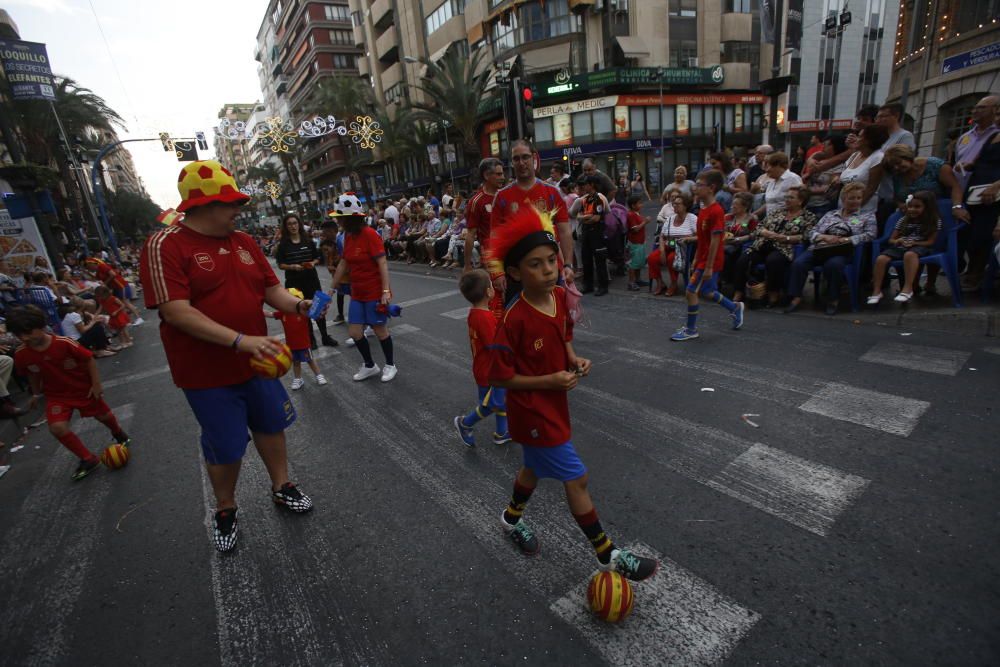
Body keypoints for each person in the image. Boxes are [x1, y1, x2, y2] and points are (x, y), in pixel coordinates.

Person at [140, 160, 313, 553]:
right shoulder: (164, 245)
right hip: (206, 372)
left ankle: (282, 485)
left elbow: (272, 291)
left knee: (271, 426)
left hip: (257, 361)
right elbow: (175, 311)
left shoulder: (244, 242)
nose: (238, 210)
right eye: (230, 203)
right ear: (202, 206)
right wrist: (240, 340)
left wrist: (298, 306)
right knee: (226, 443)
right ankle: (225, 507)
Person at [485, 203, 659, 581]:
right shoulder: (513, 320)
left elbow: (564, 334)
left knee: (532, 469)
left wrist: (573, 358)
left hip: (553, 402)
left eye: (552, 260)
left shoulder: (561, 297)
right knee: (575, 478)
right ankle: (606, 553)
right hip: (532, 409)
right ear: (515, 272)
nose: (548, 270)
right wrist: (548, 381)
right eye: (536, 264)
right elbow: (498, 377)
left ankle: (509, 519)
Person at [9, 305, 131, 481]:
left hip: (82, 389)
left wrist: (96, 384)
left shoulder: (64, 343)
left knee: (103, 416)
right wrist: (36, 394)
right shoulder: (22, 354)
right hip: (57, 396)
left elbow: (88, 358)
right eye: (19, 335)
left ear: (41, 327)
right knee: (57, 428)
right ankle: (88, 459)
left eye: (28, 332)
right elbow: (31, 373)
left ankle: (118, 432)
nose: (24, 338)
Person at [490, 141, 573, 303]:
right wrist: (497, 272)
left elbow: (564, 231)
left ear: (534, 158)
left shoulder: (551, 192)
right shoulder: (501, 197)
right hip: (516, 274)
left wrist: (568, 264)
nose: (521, 163)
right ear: (512, 162)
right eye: (516, 159)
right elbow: (494, 237)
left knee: (555, 319)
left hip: (550, 270)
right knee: (518, 324)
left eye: (525, 157)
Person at [329, 193, 397, 383]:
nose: (337, 222)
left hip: (374, 291)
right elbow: (344, 263)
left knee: (379, 330)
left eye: (340, 218)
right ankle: (370, 366)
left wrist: (385, 292)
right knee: (355, 333)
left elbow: (382, 263)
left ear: (349, 218)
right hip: (357, 292)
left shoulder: (370, 235)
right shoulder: (347, 236)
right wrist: (331, 289)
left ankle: (390, 365)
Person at [670, 170, 745, 341]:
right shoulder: (703, 210)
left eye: (699, 184)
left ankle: (690, 329)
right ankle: (734, 307)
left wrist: (709, 266)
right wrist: (696, 257)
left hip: (711, 260)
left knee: (690, 291)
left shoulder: (716, 211)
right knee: (707, 291)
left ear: (711, 188)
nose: (695, 187)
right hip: (703, 259)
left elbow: (715, 241)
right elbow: (702, 240)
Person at [785, 182, 876, 316]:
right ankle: (796, 297)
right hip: (822, 247)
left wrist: (847, 239)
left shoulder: (867, 216)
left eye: (858, 198)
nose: (855, 201)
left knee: (834, 264)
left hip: (842, 250)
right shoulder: (830, 214)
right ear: (843, 199)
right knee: (799, 263)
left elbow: (870, 235)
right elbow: (812, 232)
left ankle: (833, 299)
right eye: (851, 198)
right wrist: (823, 237)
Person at [453, 269, 511, 448]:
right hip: (490, 370)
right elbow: (496, 346)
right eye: (491, 285)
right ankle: (465, 423)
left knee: (501, 400)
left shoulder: (476, 312)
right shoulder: (484, 318)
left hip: (486, 367)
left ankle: (502, 432)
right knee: (490, 404)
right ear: (488, 292)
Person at [732, 186, 814, 307]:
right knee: (744, 259)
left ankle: (773, 294)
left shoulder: (808, 216)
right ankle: (739, 292)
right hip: (763, 243)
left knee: (774, 261)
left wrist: (786, 238)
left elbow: (807, 236)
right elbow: (760, 226)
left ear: (800, 201)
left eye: (791, 197)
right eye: (786, 196)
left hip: (783, 247)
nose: (786, 199)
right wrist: (766, 232)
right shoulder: (777, 212)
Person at [274, 213, 337, 348]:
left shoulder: (307, 240)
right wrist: (292, 266)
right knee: (303, 310)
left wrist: (313, 263)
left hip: (311, 279)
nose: (293, 226)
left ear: (299, 225)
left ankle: (325, 336)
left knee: (318, 308)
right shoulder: (283, 244)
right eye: (289, 224)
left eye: (295, 223)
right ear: (286, 227)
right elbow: (280, 264)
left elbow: (317, 257)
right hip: (294, 282)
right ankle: (311, 339)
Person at [868, 191, 941, 305]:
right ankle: (877, 290)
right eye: (910, 206)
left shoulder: (934, 221)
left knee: (910, 254)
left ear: (927, 207)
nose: (912, 209)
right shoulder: (903, 220)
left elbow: (930, 242)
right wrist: (898, 241)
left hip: (921, 247)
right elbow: (891, 239)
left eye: (917, 207)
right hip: (901, 246)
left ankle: (907, 289)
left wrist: (915, 243)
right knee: (881, 259)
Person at [465, 158, 506, 318]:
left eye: (502, 173)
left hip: (511, 252)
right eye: (498, 174)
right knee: (497, 295)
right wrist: (467, 265)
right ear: (486, 175)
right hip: (491, 256)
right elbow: (470, 234)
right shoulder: (476, 201)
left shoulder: (506, 195)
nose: (502, 177)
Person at [272, 287, 327, 389]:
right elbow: (271, 314)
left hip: (304, 344)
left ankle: (319, 375)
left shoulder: (303, 312)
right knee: (296, 363)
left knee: (310, 360)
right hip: (291, 345)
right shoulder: (283, 312)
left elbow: (316, 314)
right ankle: (298, 379)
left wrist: (320, 309)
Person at [648, 193, 698, 296]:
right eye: (674, 204)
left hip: (683, 249)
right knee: (652, 258)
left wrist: (688, 238)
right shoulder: (670, 218)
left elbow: (699, 236)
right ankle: (660, 283)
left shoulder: (692, 218)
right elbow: (662, 236)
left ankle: (674, 284)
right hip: (668, 245)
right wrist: (661, 250)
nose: (674, 206)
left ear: (686, 206)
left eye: (678, 204)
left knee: (672, 259)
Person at [836, 123, 890, 215]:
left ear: (868, 141)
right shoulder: (855, 155)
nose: (856, 139)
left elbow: (871, 189)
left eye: (860, 137)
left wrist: (853, 210)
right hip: (843, 209)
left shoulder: (878, 158)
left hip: (862, 212)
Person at [576, 175, 610, 296]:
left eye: (585, 184)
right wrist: (586, 218)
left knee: (600, 260)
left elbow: (596, 218)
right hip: (586, 233)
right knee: (586, 260)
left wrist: (584, 219)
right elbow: (578, 216)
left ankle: (603, 286)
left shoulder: (598, 199)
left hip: (596, 233)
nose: (583, 186)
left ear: (591, 185)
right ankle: (588, 285)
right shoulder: (584, 199)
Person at [805, 134, 848, 219]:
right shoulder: (819, 160)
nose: (823, 147)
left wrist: (807, 190)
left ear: (835, 146)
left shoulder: (840, 166)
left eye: (827, 144)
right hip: (809, 202)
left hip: (824, 205)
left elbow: (830, 186)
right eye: (823, 144)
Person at [721, 192, 758, 289]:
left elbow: (754, 235)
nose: (732, 206)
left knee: (730, 257)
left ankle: (730, 283)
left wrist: (739, 239)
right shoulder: (727, 217)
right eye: (732, 204)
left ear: (745, 207)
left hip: (742, 245)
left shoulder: (751, 219)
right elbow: (722, 231)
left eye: (736, 205)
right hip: (726, 244)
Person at [754, 152, 803, 219]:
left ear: (778, 165)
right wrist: (754, 214)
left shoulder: (793, 179)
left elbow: (801, 201)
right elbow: (770, 203)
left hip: (786, 222)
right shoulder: (772, 181)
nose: (766, 170)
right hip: (770, 221)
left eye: (768, 166)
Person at [624, 195, 648, 291]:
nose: (641, 205)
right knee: (633, 264)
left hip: (640, 242)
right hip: (634, 243)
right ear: (633, 205)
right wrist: (645, 222)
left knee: (639, 262)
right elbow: (635, 229)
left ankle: (638, 280)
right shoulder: (631, 215)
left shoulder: (636, 213)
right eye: (639, 203)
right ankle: (631, 282)